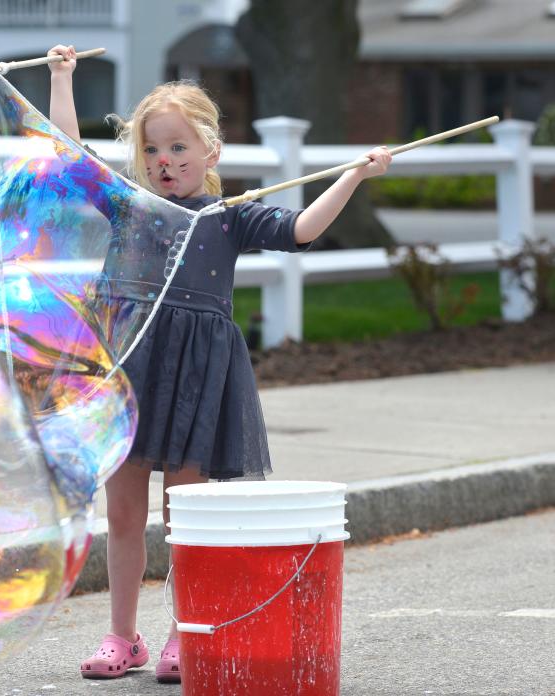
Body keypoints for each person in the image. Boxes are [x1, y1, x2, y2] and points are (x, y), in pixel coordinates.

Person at [47, 44, 391, 683]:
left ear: (210, 153)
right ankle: (123, 635)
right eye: (152, 150)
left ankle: (185, 633)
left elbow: (304, 229)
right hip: (129, 366)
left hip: (192, 378)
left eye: (178, 148)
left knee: (184, 515)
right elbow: (70, 154)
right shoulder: (128, 204)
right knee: (122, 514)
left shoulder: (230, 218)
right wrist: (62, 79)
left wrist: (352, 177)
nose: (164, 161)